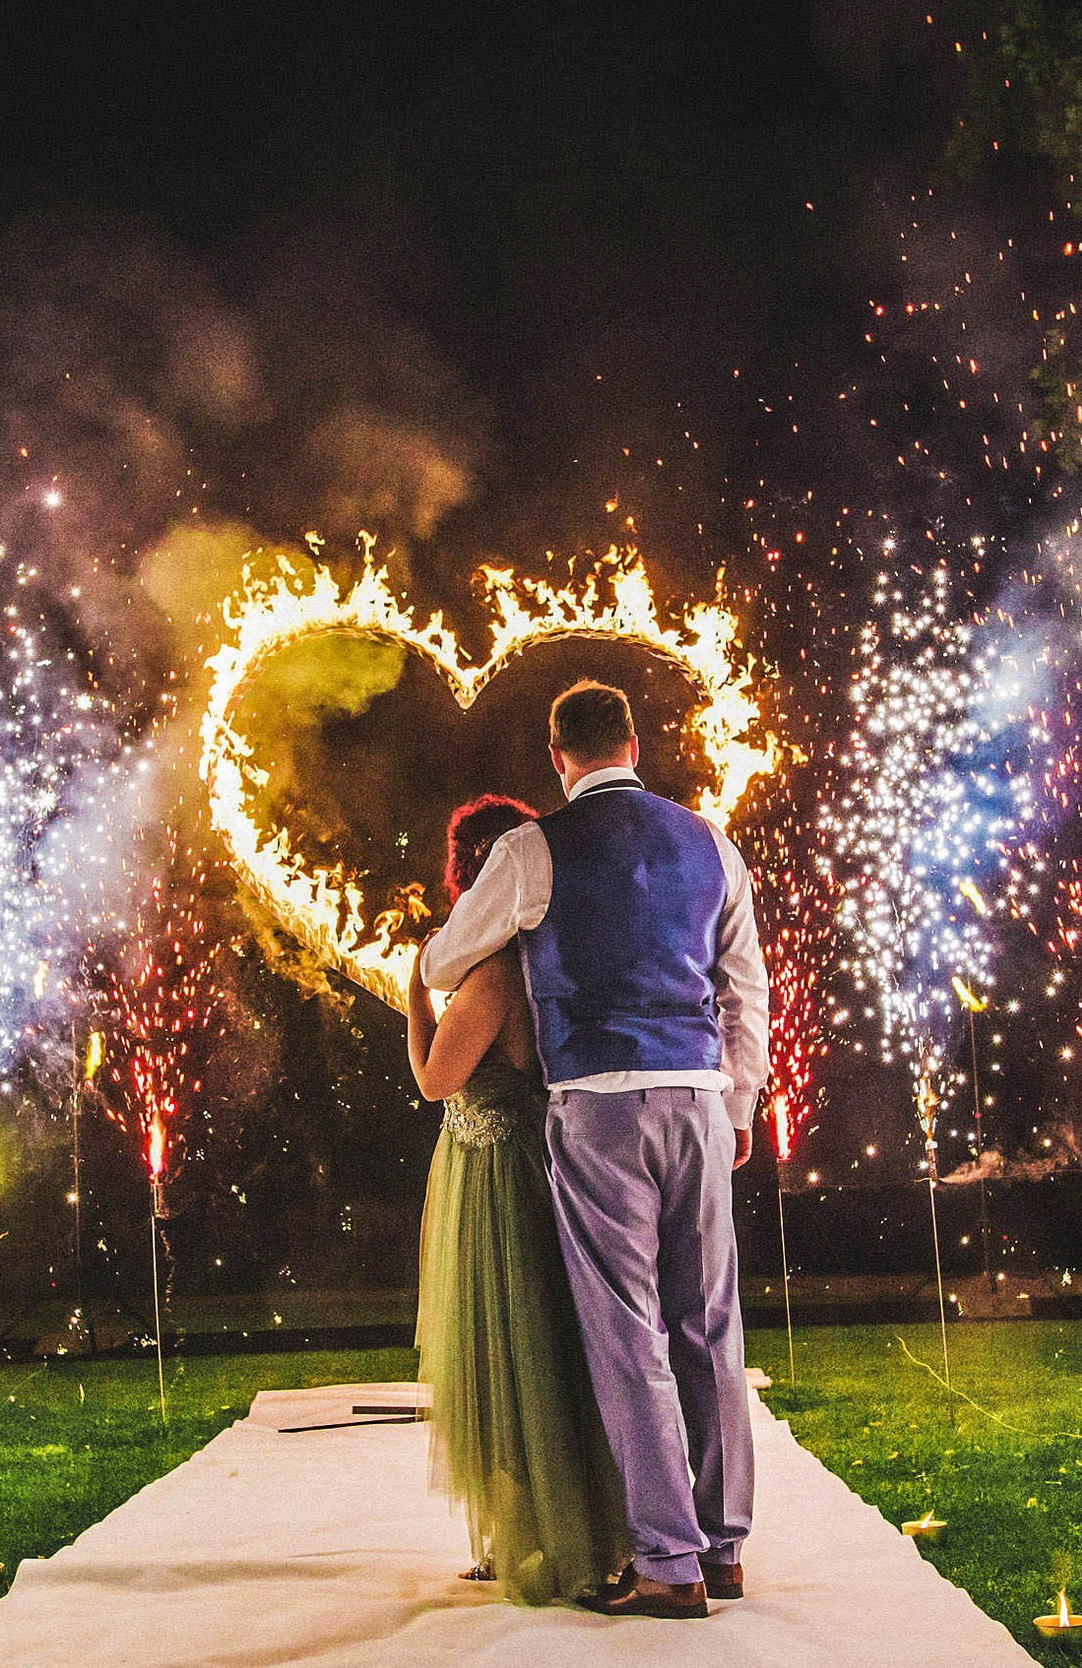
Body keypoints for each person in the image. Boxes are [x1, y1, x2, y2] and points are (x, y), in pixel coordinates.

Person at [420, 680, 769, 1621]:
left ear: (556, 757)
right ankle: (725, 1545)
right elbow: (746, 988)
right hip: (698, 1100)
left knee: (628, 1335)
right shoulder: (710, 843)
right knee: (709, 1323)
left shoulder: (532, 848)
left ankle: (668, 1561)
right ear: (635, 741)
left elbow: (447, 959)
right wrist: (738, 1109)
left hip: (598, 1108)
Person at [406, 794, 631, 1605]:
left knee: (505, 1352)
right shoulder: (551, 960)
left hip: (494, 1173)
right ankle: (571, 1528)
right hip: (534, 1159)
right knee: (545, 1346)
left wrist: (413, 992)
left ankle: (531, 1539)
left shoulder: (493, 973)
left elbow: (435, 1080)